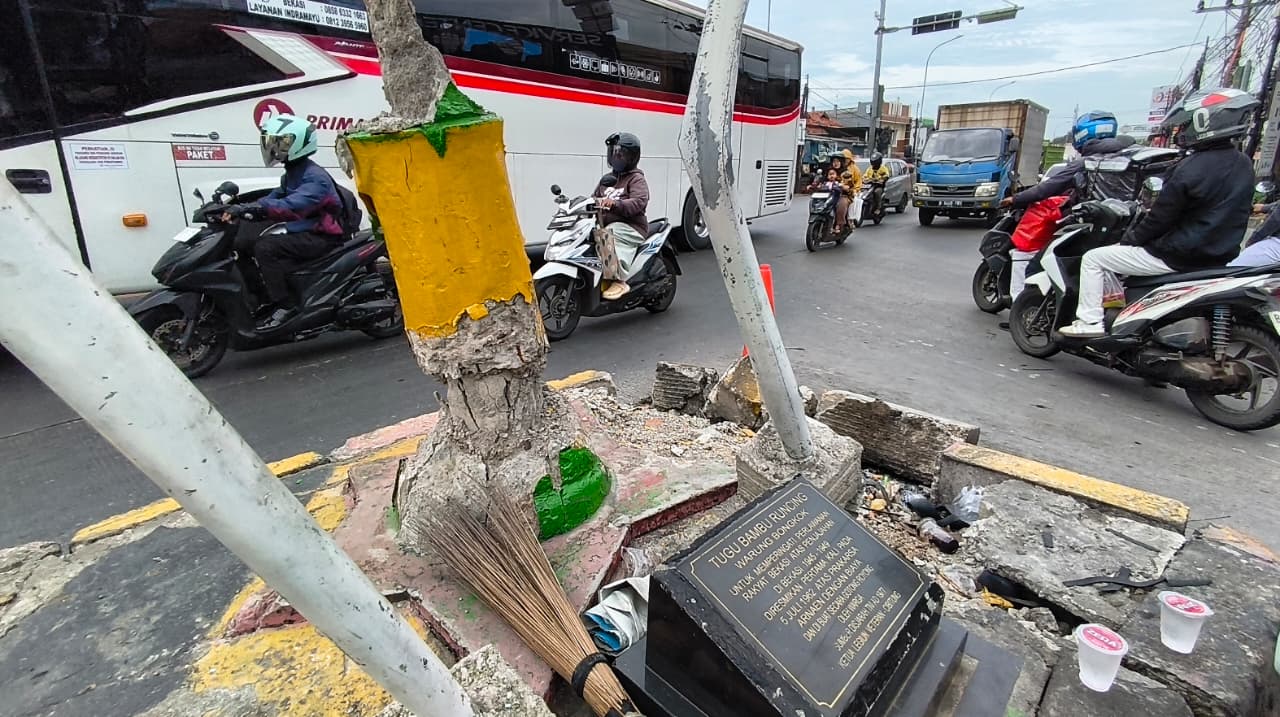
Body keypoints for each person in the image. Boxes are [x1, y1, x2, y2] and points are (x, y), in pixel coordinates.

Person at [1058, 88, 1258, 338]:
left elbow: (1160, 218)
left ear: (1205, 121)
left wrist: (1131, 239)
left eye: (1185, 125)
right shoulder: (1244, 164)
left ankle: (1089, 322)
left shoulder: (1190, 167)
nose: (1181, 132)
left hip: (1176, 254)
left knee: (1094, 259)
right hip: (1218, 257)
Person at [999, 111, 1135, 300]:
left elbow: (1046, 188)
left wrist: (1015, 199)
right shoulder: (1132, 159)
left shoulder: (1087, 163)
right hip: (1124, 230)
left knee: (1034, 265)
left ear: (1082, 134)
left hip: (1087, 228)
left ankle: (1021, 304)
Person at [232, 114, 345, 330]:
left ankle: (286, 305)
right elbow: (275, 197)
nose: (275, 147)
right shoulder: (293, 172)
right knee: (241, 242)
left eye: (282, 142)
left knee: (266, 248)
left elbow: (293, 204)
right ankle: (261, 297)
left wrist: (259, 208)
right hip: (303, 229)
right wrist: (241, 208)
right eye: (274, 142)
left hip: (321, 236)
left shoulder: (315, 177)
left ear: (300, 144)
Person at [593, 132, 649, 300]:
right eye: (614, 152)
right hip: (607, 224)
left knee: (607, 234)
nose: (616, 157)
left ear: (632, 157)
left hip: (631, 227)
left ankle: (618, 280)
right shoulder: (608, 179)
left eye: (621, 154)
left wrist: (616, 204)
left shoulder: (636, 179)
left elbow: (639, 201)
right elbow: (594, 197)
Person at [1228, 201, 1280, 267]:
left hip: (1276, 245)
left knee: (1233, 268)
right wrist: (1264, 207)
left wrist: (1252, 240)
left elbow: (1274, 221)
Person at [833, 149, 862, 232]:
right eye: (835, 161)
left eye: (846, 158)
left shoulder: (850, 171)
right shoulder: (831, 170)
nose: (836, 163)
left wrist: (853, 189)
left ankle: (839, 224)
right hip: (833, 193)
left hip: (845, 194)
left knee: (842, 204)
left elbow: (854, 182)